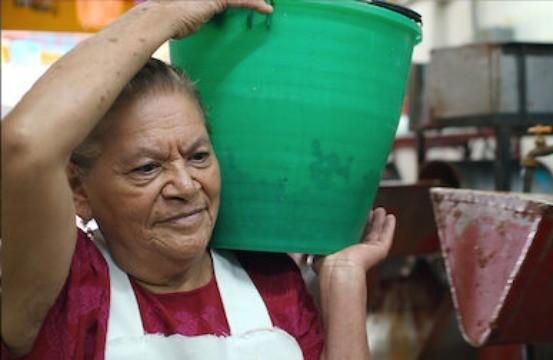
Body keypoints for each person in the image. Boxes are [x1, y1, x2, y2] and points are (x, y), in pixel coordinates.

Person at [0, 1, 396, 359]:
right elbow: (24, 144)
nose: (186, 187)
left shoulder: (270, 282)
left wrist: (343, 281)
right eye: (147, 168)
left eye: (199, 156)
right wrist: (161, 14)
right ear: (78, 190)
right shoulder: (67, 293)